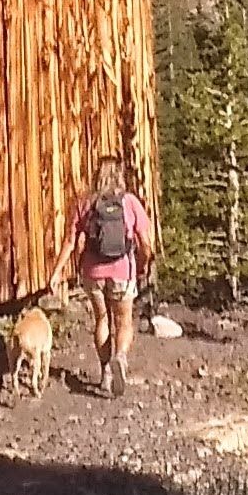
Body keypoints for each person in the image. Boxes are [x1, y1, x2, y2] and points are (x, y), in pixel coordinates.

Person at [46, 156, 157, 396]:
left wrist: (56, 273)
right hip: (122, 270)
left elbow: (70, 241)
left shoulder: (86, 204)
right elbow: (146, 244)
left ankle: (106, 373)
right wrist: (142, 264)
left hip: (93, 272)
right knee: (124, 321)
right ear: (120, 175)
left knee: (102, 320)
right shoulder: (129, 203)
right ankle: (120, 357)